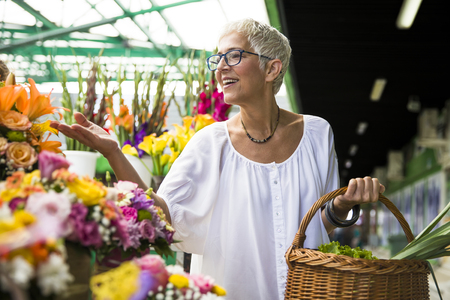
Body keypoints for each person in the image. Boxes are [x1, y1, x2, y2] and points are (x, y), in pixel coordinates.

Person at [51, 19, 384, 300]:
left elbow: (317, 224)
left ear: (272, 68)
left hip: (307, 292)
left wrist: (343, 206)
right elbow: (162, 214)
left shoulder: (316, 134)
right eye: (218, 59)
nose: (221, 66)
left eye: (234, 56)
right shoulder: (210, 143)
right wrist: (114, 152)